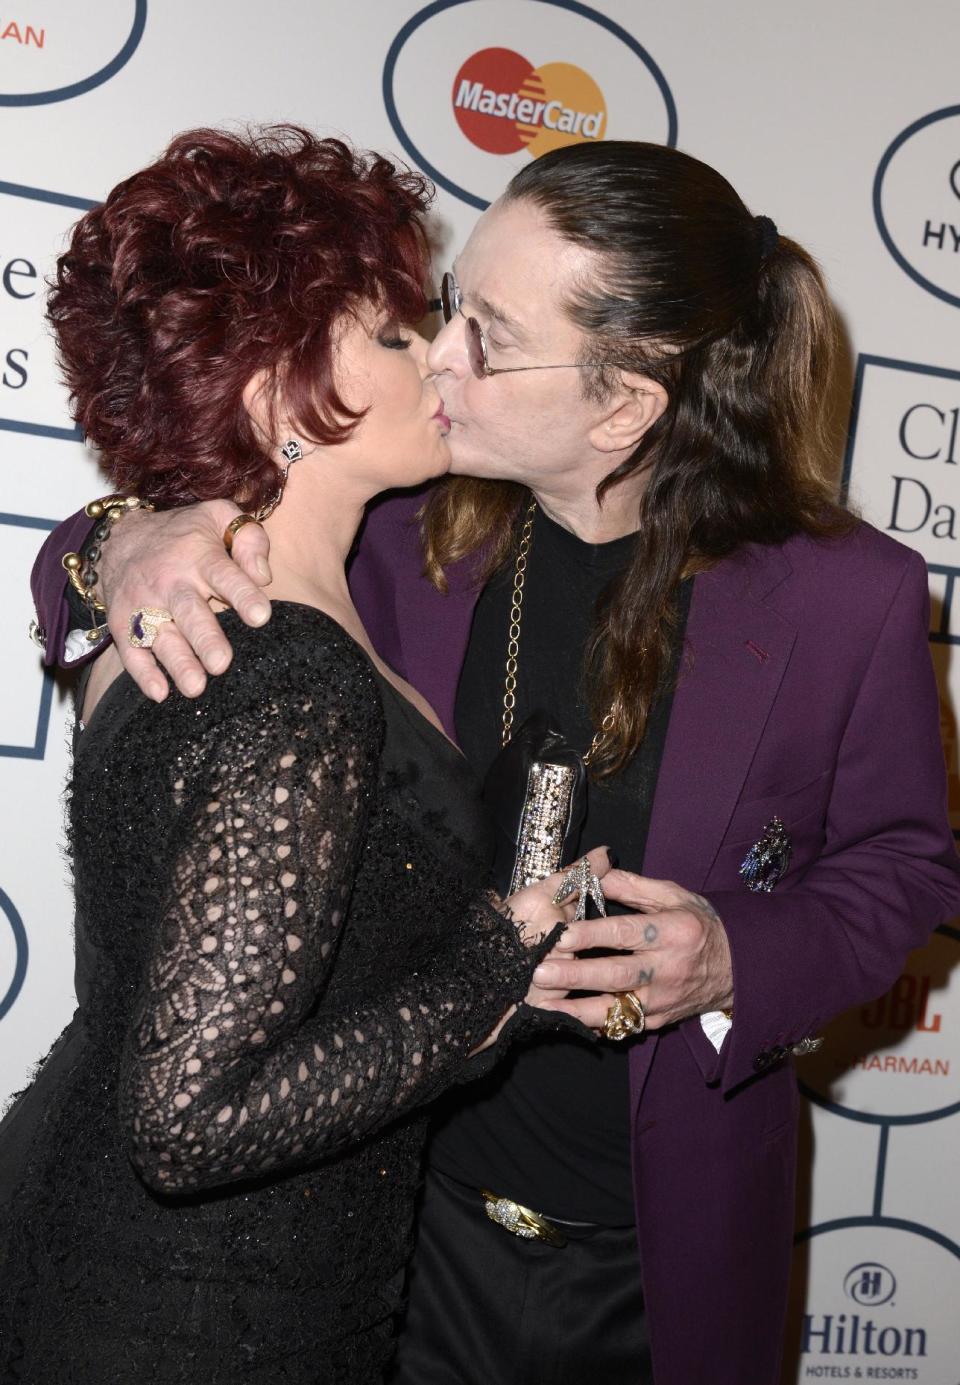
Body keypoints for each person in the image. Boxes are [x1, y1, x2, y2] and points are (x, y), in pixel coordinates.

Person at [30, 140, 960, 1385]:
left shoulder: (853, 598)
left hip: (660, 1249)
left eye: (490, 333)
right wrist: (123, 540)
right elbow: (138, 551)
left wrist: (742, 952)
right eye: (448, 305)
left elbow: (907, 861)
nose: (442, 355)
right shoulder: (392, 533)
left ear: (624, 402)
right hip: (399, 1228)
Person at [1, 125, 616, 1385]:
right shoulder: (287, 667)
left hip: (148, 1260)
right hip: (205, 1312)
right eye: (396, 334)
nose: (442, 356)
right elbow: (190, 1119)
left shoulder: (194, 611)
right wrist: (496, 962)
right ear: (280, 389)